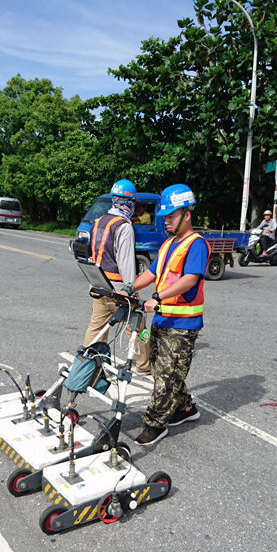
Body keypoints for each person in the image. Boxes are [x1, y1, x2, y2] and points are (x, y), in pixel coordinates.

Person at [125, 184, 210, 446]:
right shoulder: (168, 245)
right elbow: (152, 273)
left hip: (183, 324)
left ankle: (155, 424)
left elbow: (190, 279)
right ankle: (185, 408)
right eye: (166, 216)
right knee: (160, 369)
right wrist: (129, 288)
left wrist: (158, 298)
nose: (167, 221)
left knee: (168, 376)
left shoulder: (196, 244)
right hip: (162, 320)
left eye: (172, 216)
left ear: (187, 214)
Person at [83, 179, 150, 374]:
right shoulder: (124, 226)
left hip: (99, 284)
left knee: (96, 328)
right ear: (130, 202)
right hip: (119, 288)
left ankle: (89, 363)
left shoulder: (99, 221)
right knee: (138, 328)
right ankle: (144, 365)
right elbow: (126, 262)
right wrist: (131, 289)